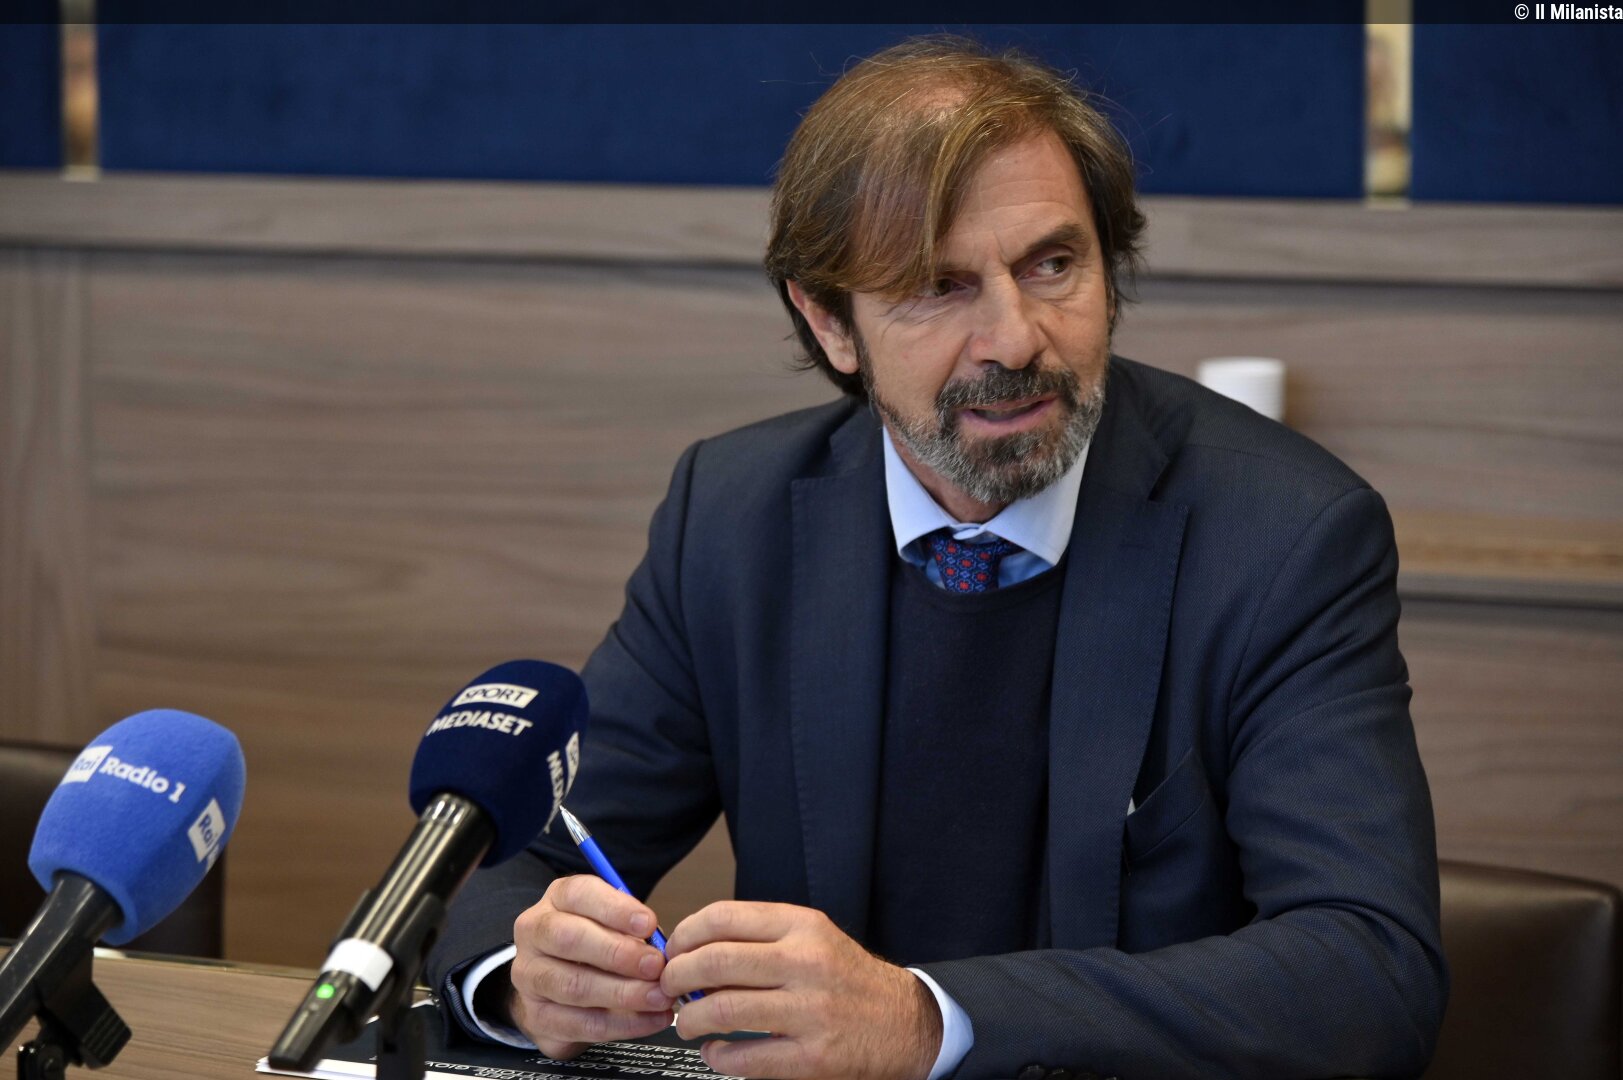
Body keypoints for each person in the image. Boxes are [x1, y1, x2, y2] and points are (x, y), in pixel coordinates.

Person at [428, 37, 1447, 1080]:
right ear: (830, 323)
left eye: (1052, 265)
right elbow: (519, 852)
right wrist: (524, 975)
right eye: (937, 287)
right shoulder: (733, 518)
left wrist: (928, 1022)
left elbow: (1368, 970)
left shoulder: (1283, 536)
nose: (1015, 338)